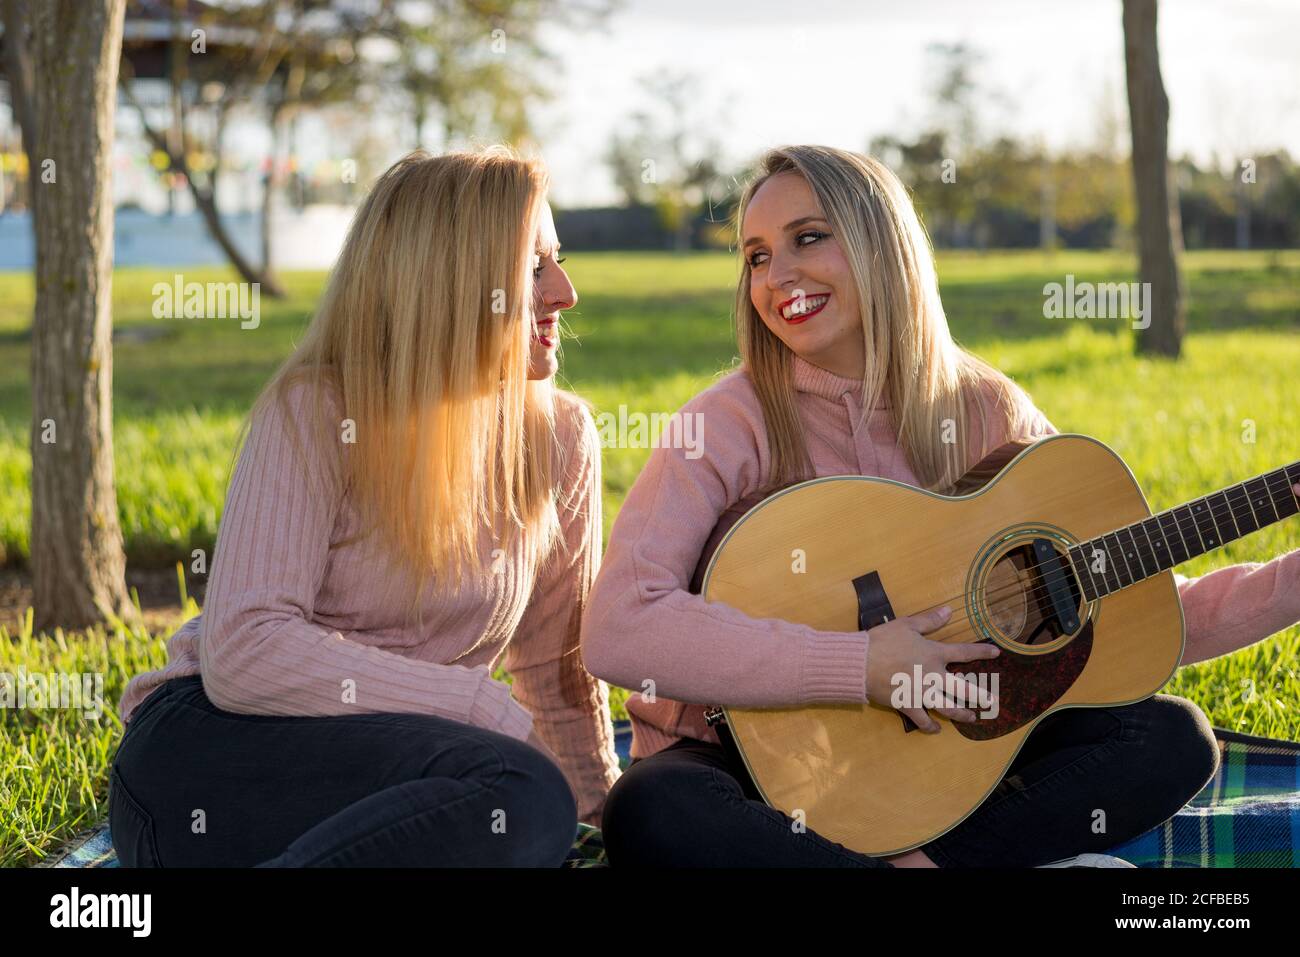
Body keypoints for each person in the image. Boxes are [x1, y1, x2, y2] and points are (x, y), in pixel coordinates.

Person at [581, 144, 1300, 868]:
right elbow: (620, 625)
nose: (778, 276)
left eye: (807, 238)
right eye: (756, 256)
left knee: (1169, 738)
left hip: (942, 764)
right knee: (651, 810)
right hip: (748, 767)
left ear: (881, 241)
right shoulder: (723, 424)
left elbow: (1136, 601)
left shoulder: (984, 408)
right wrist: (858, 664)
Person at [110, 148, 620, 868]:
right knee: (517, 793)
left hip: (401, 773)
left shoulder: (561, 439)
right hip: (218, 749)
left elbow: (556, 668)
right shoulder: (316, 412)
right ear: (447, 281)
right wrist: (475, 703)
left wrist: (601, 819)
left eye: (557, 260)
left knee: (527, 806)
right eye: (533, 266)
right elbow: (246, 649)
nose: (565, 291)